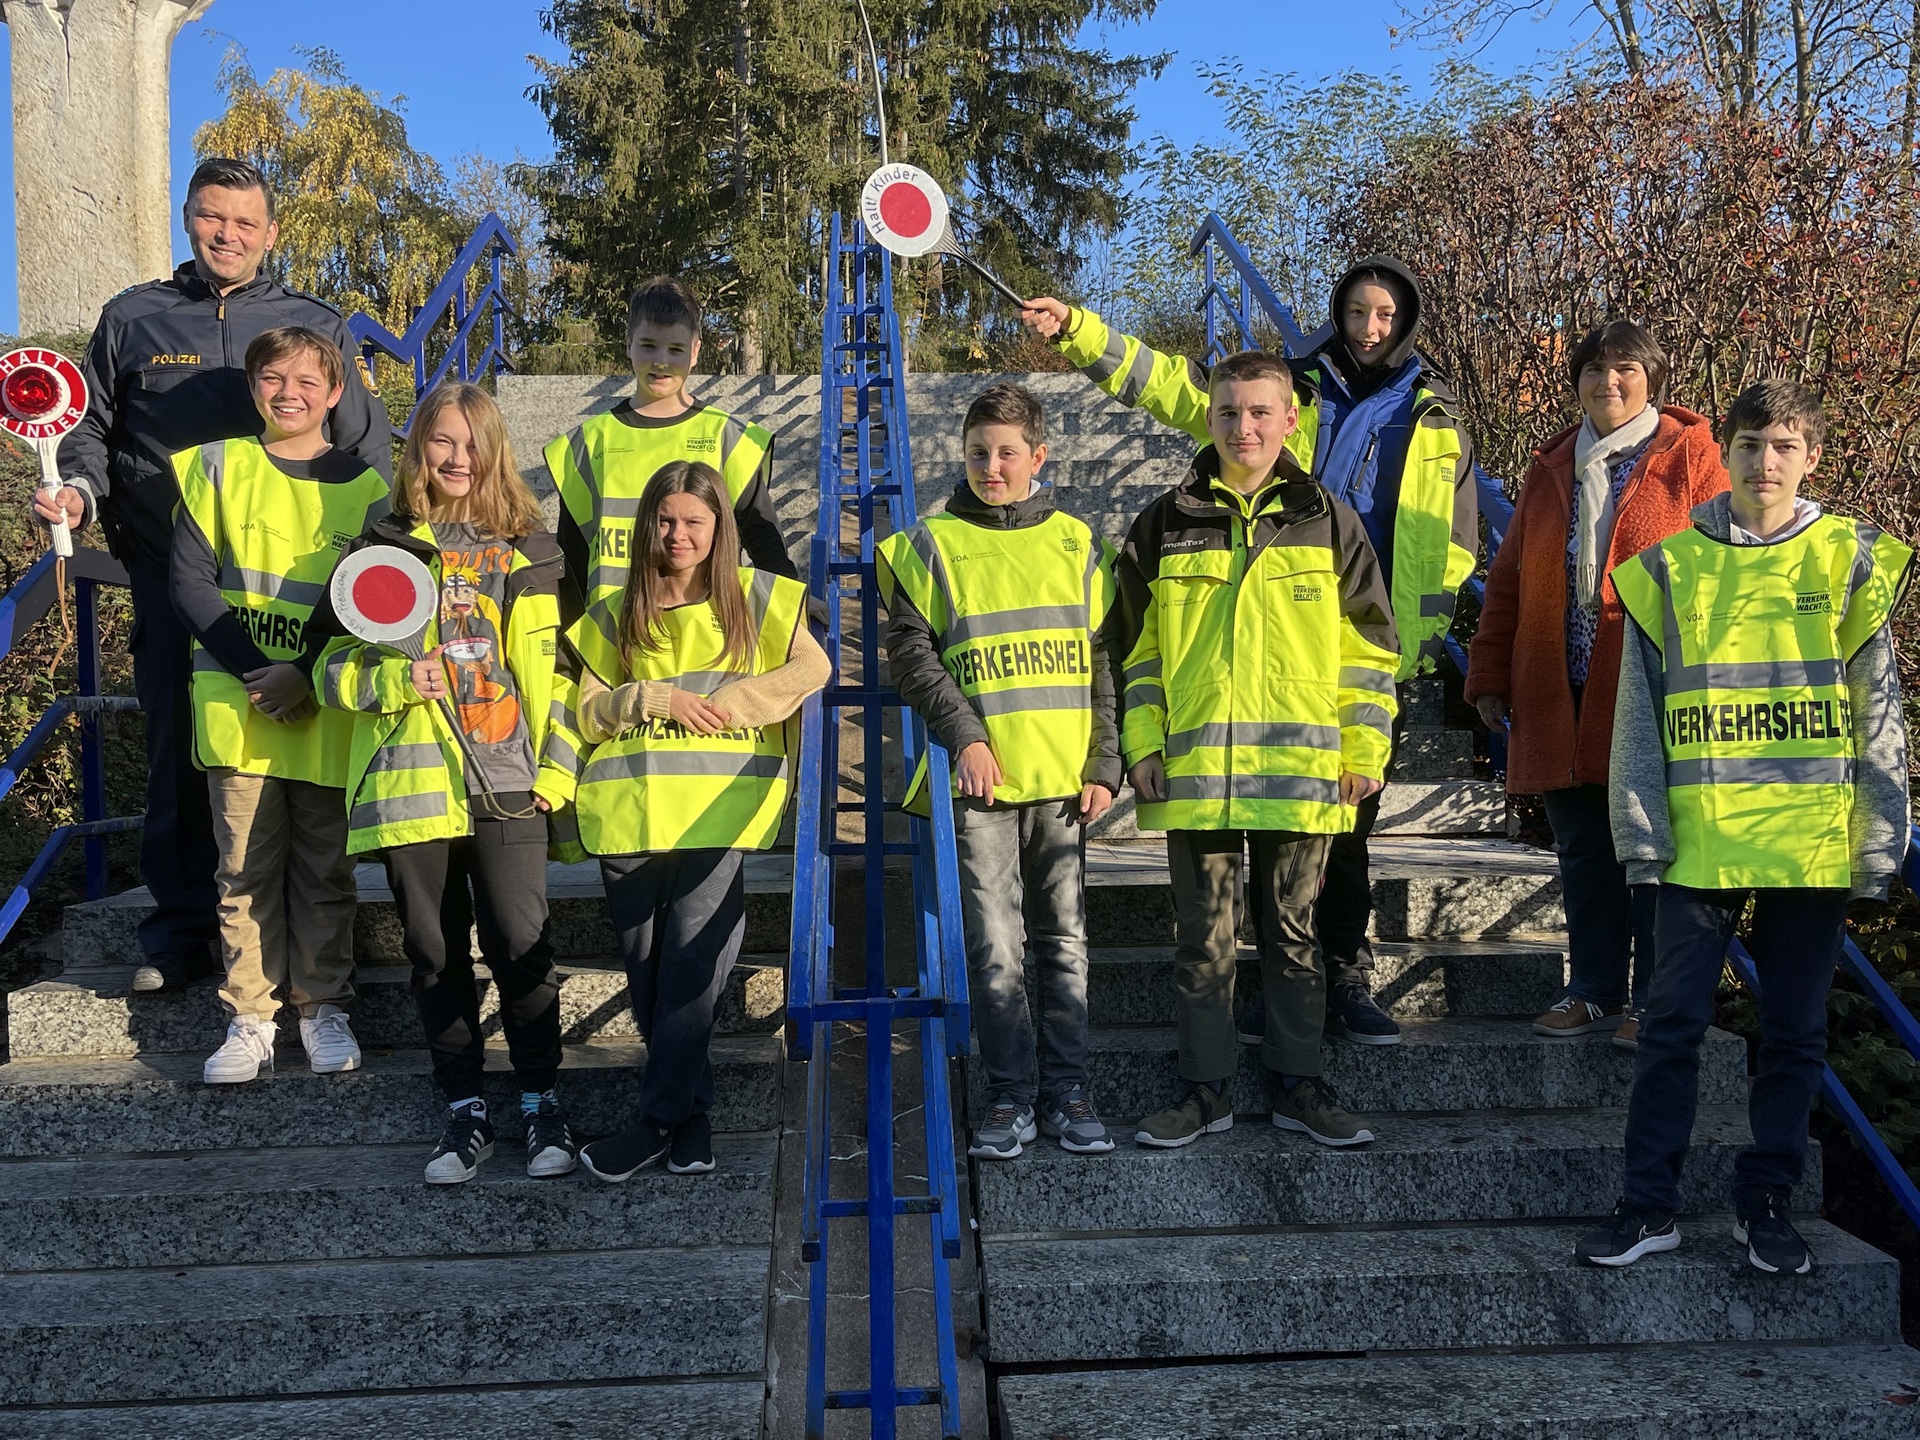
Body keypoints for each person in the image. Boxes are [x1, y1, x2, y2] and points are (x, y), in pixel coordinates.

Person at [1020, 280, 1473, 1044]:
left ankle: (1344, 974)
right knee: (1287, 844)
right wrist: (1078, 333)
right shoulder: (1286, 389)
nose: (1369, 327)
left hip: (1358, 640)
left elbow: (1456, 536)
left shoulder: (1436, 412)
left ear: (1408, 322)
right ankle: (1273, 996)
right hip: (1273, 597)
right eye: (1358, 311)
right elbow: (1168, 383)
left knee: (1345, 835)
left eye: (1386, 315)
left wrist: (1423, 648)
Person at [1579, 379, 1910, 1274]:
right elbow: (1638, 720)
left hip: (1810, 842)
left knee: (1796, 1037)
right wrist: (1639, 832)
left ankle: (1765, 1206)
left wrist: (1882, 835)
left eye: (1787, 447)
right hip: (1695, 839)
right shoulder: (1671, 566)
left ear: (1813, 460)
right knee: (1670, 1028)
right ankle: (1649, 1205)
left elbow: (1878, 710)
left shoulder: (1845, 559)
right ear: (1726, 450)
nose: (1768, 462)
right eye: (1754, 443)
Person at [38, 157, 392, 995]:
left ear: (271, 233)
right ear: (188, 218)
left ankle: (307, 940)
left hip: (300, 587)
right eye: (210, 218)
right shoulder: (132, 318)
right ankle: (182, 931)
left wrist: (368, 563)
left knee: (305, 752)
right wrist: (79, 493)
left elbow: (365, 447)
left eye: (244, 223)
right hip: (176, 577)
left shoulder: (312, 325)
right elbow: (91, 429)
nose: (226, 236)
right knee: (181, 752)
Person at [1110, 349, 1401, 1150]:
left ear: (1291, 420)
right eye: (1230, 411)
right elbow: (1134, 651)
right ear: (1209, 417)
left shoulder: (1332, 522)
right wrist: (1140, 744)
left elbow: (1370, 651)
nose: (1245, 427)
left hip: (1303, 775)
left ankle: (1297, 1086)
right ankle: (1205, 1093)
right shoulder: (1163, 523)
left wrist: (1365, 745)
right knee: (1201, 937)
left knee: (1294, 933)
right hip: (1196, 774)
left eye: (1260, 412)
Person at [309, 382, 576, 1184]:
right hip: (413, 785)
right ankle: (464, 1112)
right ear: (419, 446)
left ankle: (541, 1104)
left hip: (509, 781)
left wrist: (557, 771)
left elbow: (563, 674)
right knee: (433, 952)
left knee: (521, 946)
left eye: (474, 443)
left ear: (495, 448)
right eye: (441, 442)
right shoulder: (381, 544)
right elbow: (327, 669)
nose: (458, 459)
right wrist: (396, 681)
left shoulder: (535, 549)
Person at [543, 461, 828, 1181]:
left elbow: (812, 671)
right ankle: (693, 1118)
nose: (679, 534)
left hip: (716, 807)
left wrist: (739, 703)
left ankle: (654, 1120)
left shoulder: (759, 598)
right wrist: (651, 698)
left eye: (694, 522)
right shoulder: (613, 610)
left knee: (694, 969)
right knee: (649, 972)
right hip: (628, 810)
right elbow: (586, 709)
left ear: (719, 528)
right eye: (666, 520)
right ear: (647, 525)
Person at [1466, 321, 1728, 1049]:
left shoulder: (1693, 458)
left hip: (1650, 689)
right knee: (1583, 846)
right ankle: (1593, 993)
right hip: (1561, 684)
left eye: (1625, 371)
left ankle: (1654, 1000)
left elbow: (1725, 573)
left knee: (1649, 850)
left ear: (1652, 379)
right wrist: (1488, 671)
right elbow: (1511, 576)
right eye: (1593, 371)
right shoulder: (1551, 465)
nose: (1607, 384)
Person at [877, 381, 1121, 1160]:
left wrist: (1105, 760)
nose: (991, 466)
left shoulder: (1080, 545)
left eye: (1007, 453)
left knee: (1065, 942)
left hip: (1063, 781)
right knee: (993, 945)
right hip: (979, 778)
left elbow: (1105, 665)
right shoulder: (928, 544)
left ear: (1038, 458)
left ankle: (1069, 1091)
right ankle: (1011, 1097)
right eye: (979, 452)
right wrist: (964, 736)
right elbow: (912, 657)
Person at [170, 327, 392, 1084]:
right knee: (244, 869)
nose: (288, 392)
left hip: (325, 702)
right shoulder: (215, 467)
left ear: (335, 393)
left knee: (326, 869)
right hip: (239, 704)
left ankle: (323, 1007)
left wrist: (300, 670)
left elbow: (364, 604)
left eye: (306, 380)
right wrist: (262, 672)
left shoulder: (367, 488)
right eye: (272, 377)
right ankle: (250, 1018)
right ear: (253, 385)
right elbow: (191, 584)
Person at [546, 276, 797, 667]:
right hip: (614, 643)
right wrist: (573, 651)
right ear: (628, 344)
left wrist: (792, 600)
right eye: (648, 345)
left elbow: (763, 539)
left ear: (696, 352)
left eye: (675, 348)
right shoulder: (587, 444)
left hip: (707, 642)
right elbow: (572, 559)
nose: (661, 360)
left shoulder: (727, 438)